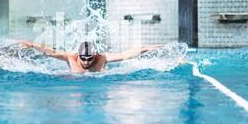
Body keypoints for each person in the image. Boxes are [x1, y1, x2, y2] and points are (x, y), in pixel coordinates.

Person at [17, 40, 162, 73]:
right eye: (83, 58)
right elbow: (51, 52)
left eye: (89, 59)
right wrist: (31, 45)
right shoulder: (71, 57)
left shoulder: (102, 58)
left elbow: (125, 55)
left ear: (95, 56)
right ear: (78, 55)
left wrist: (145, 49)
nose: (86, 62)